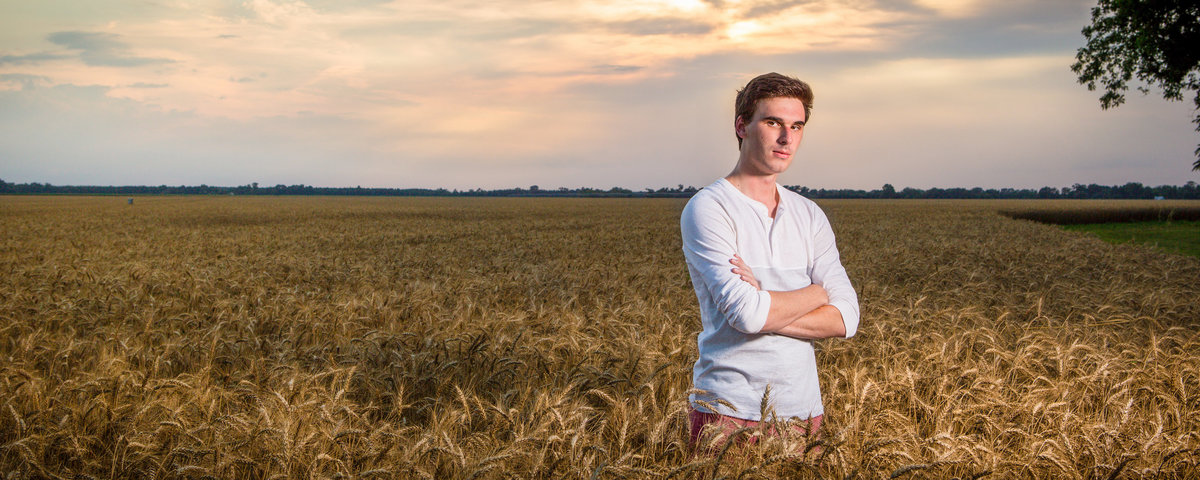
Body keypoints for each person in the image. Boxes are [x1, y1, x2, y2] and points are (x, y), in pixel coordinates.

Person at [679, 72, 860, 449]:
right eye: (773, 122)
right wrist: (815, 292)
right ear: (742, 126)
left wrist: (765, 297)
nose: (786, 138)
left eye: (796, 126)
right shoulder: (709, 208)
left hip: (804, 414)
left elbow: (846, 319)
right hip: (727, 412)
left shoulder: (809, 214)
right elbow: (746, 315)